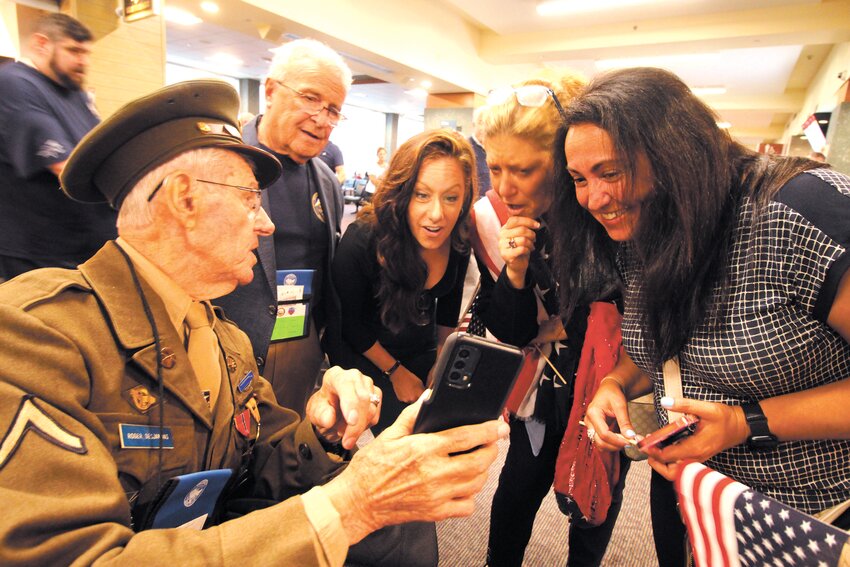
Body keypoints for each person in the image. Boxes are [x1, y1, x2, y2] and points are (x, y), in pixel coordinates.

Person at [0, 79, 507, 566]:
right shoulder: (37, 336)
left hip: (214, 534)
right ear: (185, 199)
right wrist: (351, 506)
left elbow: (261, 457)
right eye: (249, 199)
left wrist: (323, 425)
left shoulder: (225, 339)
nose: (265, 223)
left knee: (404, 525)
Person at [558, 67, 850, 565]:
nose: (594, 199)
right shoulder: (640, 224)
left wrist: (745, 422)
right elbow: (662, 340)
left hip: (812, 512)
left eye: (611, 172)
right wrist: (615, 384)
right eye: (579, 180)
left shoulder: (796, 209)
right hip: (692, 495)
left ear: (674, 153)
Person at [472, 72, 628, 567]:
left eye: (523, 169)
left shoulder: (605, 215)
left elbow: (626, 324)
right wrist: (515, 271)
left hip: (606, 389)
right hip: (545, 392)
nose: (504, 187)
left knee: (593, 505)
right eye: (495, 168)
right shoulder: (509, 221)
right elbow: (513, 332)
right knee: (514, 498)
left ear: (561, 164)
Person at [214, 38, 347, 417]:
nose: (322, 119)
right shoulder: (223, 158)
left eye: (334, 110)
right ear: (270, 91)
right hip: (228, 340)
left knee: (286, 441)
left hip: (300, 341)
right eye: (310, 98)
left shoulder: (327, 180)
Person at [327, 130, 475, 435]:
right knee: (403, 438)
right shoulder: (363, 241)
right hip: (364, 350)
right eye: (422, 195)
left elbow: (447, 309)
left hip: (416, 342)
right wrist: (395, 372)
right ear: (402, 192)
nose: (437, 215)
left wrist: (440, 360)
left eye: (451, 198)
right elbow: (350, 325)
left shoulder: (458, 237)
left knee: (441, 427)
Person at [0, 13, 115, 282]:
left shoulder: (75, 93)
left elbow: (105, 149)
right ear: (42, 44)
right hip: (42, 252)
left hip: (85, 246)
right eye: (73, 50)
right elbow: (66, 168)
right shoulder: (16, 84)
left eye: (86, 53)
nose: (83, 61)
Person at [468, 105, 491, 197]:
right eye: (481, 123)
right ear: (474, 124)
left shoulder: (494, 148)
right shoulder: (466, 148)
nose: (485, 128)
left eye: (489, 123)